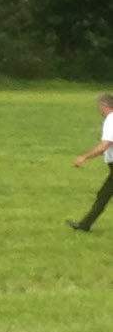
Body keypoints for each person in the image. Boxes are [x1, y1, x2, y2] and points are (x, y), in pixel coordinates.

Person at [67, 92, 113, 231]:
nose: (98, 109)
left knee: (103, 195)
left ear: (103, 106)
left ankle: (84, 225)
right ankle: (85, 225)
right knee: (103, 195)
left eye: (98, 106)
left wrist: (84, 157)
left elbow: (104, 145)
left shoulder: (111, 120)